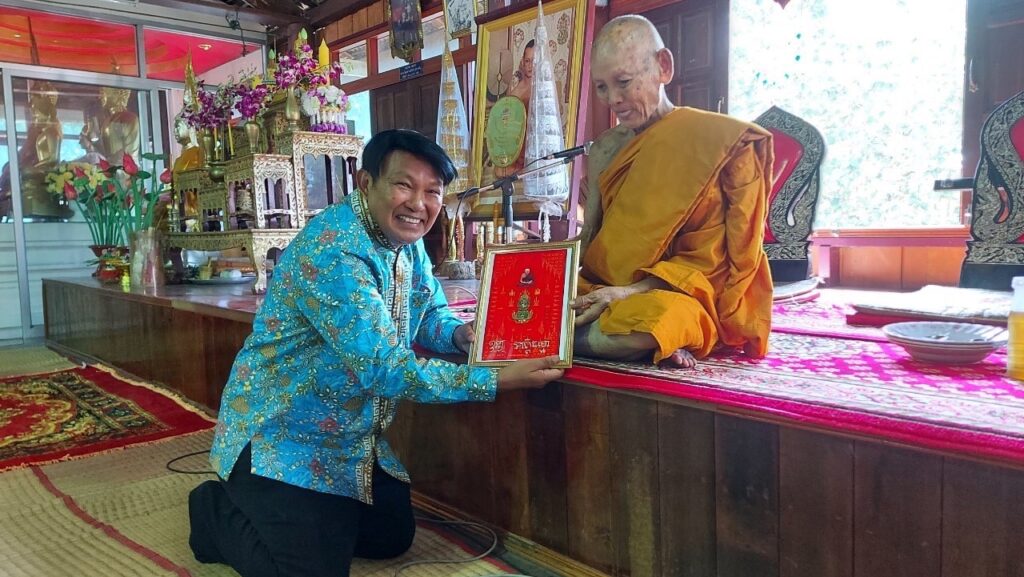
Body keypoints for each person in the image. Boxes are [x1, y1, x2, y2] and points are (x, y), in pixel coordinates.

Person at [187, 129, 564, 577]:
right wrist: (496, 379)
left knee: (391, 536)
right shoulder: (334, 251)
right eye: (404, 185)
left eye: (432, 192)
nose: (418, 204)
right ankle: (212, 511)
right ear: (366, 182)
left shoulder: (405, 240)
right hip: (280, 437)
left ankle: (316, 518)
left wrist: (463, 337)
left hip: (349, 440)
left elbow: (428, 313)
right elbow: (385, 369)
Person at [572, 15, 774, 369]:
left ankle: (559, 340)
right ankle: (568, 334)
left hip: (678, 293)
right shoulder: (605, 149)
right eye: (602, 87)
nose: (613, 99)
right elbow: (590, 239)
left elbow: (725, 260)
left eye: (623, 82)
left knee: (659, 321)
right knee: (527, 300)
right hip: (601, 288)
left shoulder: (722, 142)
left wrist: (628, 292)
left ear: (663, 67)